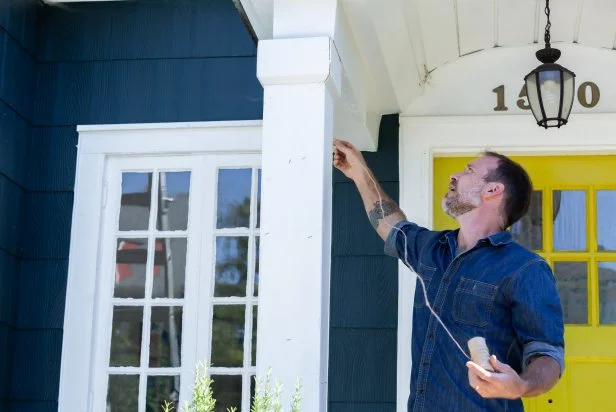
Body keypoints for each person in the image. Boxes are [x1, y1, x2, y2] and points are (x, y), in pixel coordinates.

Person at [332, 138, 565, 412]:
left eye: (468, 170)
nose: (455, 175)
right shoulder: (432, 249)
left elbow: (547, 354)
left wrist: (523, 385)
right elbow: (391, 225)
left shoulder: (525, 269)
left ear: (492, 189)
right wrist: (361, 173)